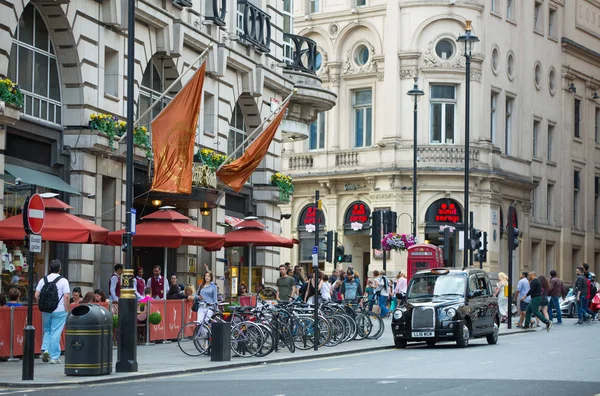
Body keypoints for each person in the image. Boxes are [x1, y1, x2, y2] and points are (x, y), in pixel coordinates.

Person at [34, 259, 70, 364]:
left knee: (47, 330)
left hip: (46, 310)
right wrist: (67, 310)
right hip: (59, 310)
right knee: (56, 332)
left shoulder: (43, 280)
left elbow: (36, 295)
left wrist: (43, 303)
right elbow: (67, 296)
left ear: (50, 268)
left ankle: (45, 349)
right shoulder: (63, 281)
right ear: (60, 269)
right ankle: (54, 357)